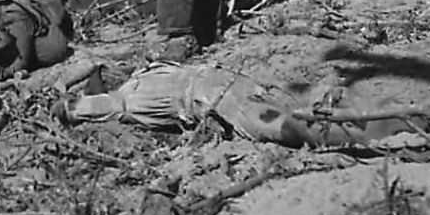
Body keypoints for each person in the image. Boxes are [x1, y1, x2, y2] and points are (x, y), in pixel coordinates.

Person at [56, 62, 410, 148]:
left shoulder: (132, 102)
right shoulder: (141, 77)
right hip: (232, 84)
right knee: (315, 103)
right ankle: (409, 121)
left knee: (304, 126)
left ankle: (406, 124)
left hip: (226, 100)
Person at [0, 0, 73, 80]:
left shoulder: (16, 23)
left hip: (45, 24)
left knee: (53, 53)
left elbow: (23, 61)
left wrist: (2, 75)